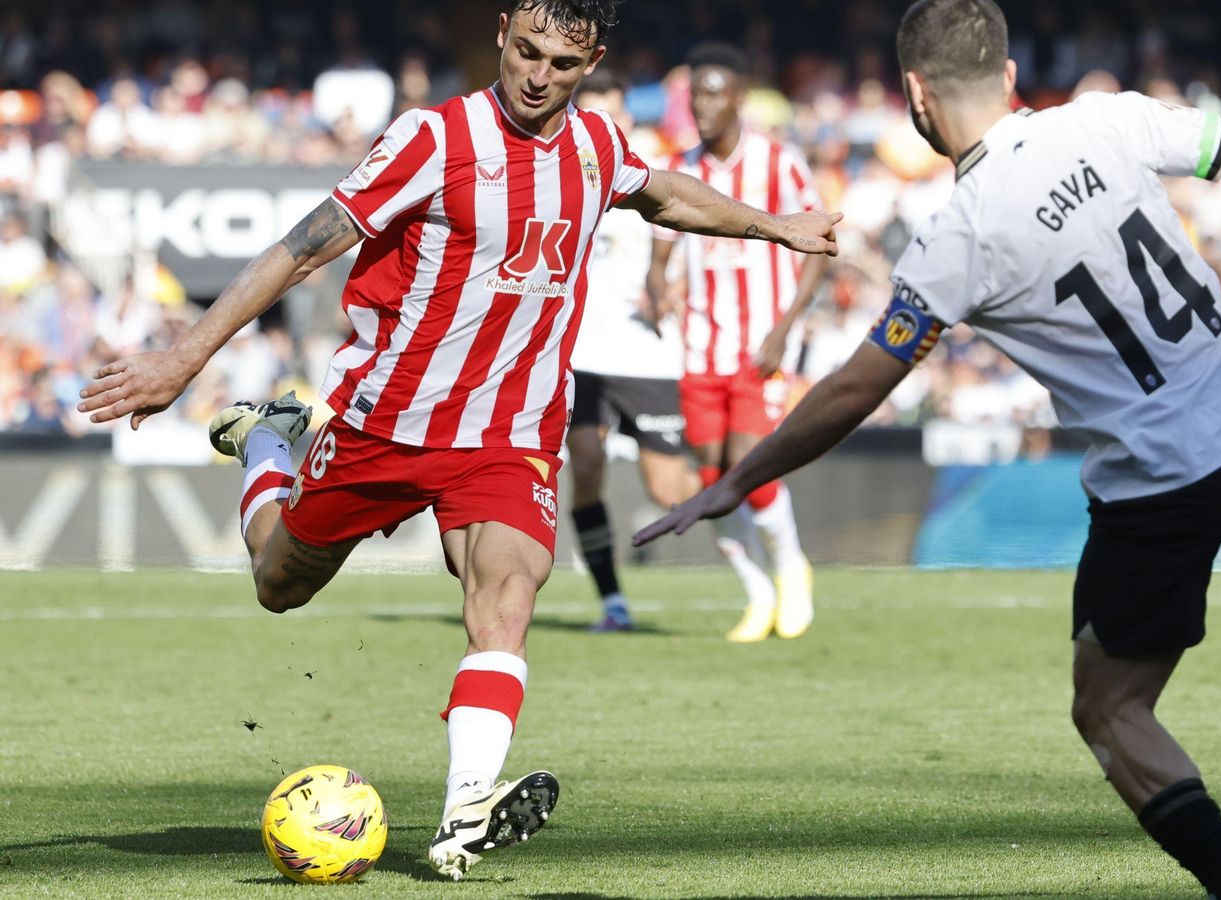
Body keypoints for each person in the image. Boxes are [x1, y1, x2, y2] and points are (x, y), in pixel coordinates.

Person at [635, 2, 1221, 898]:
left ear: (915, 95)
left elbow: (854, 388)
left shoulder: (956, 236)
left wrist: (739, 479)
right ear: (1005, 76)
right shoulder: (1103, 120)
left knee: (1110, 708)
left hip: (1162, 470)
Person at [77, 0, 839, 882]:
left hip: (512, 433)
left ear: (592, 63)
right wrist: (182, 358)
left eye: (561, 64)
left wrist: (774, 227)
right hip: (387, 423)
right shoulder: (433, 139)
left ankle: (463, 812)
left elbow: (663, 192)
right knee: (279, 583)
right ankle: (267, 449)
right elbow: (299, 249)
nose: (537, 76)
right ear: (504, 31)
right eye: (527, 51)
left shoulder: (595, 147)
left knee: (508, 594)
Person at [646, 43, 828, 642]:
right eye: (695, 94)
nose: (702, 105)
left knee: (753, 472)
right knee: (711, 484)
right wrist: (658, 287)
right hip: (700, 348)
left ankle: (791, 569)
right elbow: (660, 254)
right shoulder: (679, 167)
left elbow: (819, 242)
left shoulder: (778, 162)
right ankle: (757, 593)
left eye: (714, 93)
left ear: (740, 98)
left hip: (760, 345)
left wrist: (785, 327)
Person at [565, 70, 697, 632]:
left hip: (645, 354)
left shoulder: (652, 173)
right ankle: (612, 602)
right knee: (585, 466)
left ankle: (749, 499)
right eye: (592, 112)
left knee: (669, 489)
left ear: (627, 117)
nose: (603, 122)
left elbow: (689, 245)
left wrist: (674, 287)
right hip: (580, 355)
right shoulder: (558, 170)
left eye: (613, 112)